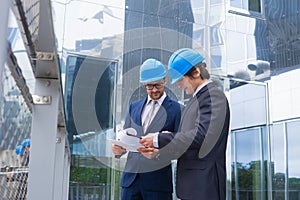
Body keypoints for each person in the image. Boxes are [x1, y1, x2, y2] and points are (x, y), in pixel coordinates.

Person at [139, 48, 230, 200]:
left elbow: (202, 136)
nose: (179, 86)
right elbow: (187, 143)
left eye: (181, 80)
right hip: (192, 187)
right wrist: (159, 152)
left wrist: (158, 138)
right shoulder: (194, 101)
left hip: (204, 187)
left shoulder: (213, 95)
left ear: (195, 72)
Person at [112, 58, 182, 200]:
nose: (154, 90)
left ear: (165, 80)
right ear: (144, 84)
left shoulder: (178, 109)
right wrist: (118, 150)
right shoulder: (134, 107)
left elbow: (181, 147)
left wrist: (158, 154)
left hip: (157, 184)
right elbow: (124, 138)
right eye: (150, 86)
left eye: (158, 85)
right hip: (130, 182)